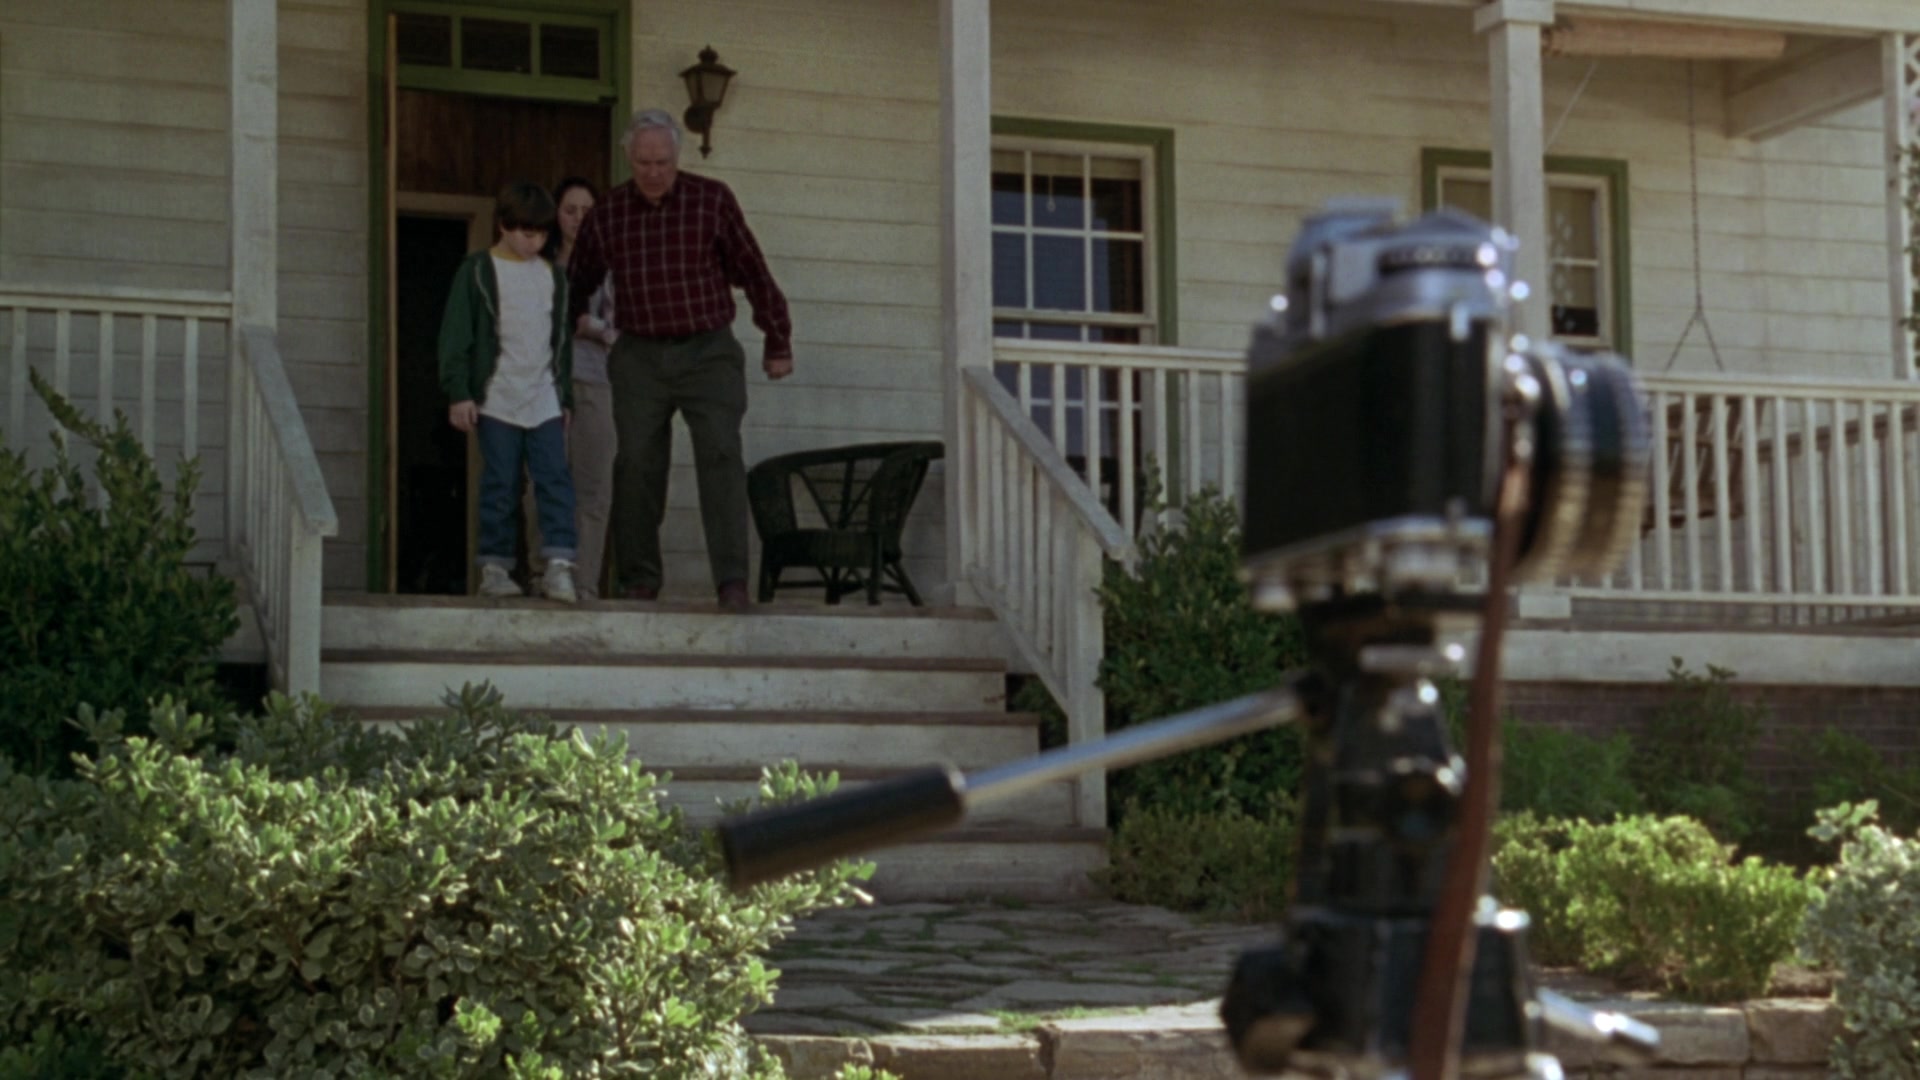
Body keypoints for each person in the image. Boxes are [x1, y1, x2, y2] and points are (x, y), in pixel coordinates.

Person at [566, 108, 793, 611]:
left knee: (720, 454)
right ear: (629, 158)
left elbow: (753, 270)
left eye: (662, 162)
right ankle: (639, 579)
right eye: (643, 162)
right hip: (639, 353)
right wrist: (559, 343)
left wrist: (777, 338)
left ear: (677, 157)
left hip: (707, 349)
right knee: (635, 464)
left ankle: (731, 581)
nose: (653, 172)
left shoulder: (711, 200)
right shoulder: (608, 214)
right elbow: (578, 282)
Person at [439, 180, 579, 603]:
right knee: (500, 482)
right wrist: (459, 391)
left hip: (544, 395)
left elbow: (561, 342)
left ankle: (558, 565)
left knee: (555, 479)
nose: (533, 241)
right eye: (525, 231)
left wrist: (564, 396)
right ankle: (496, 568)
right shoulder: (477, 270)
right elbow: (456, 335)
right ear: (503, 225)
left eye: (541, 233)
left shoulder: (553, 276)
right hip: (496, 395)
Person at [530, 176, 618, 599]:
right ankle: (542, 575)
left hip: (598, 382)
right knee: (544, 481)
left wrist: (590, 326)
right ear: (556, 215)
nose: (579, 219)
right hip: (544, 384)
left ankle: (585, 583)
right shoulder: (539, 267)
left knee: (593, 487)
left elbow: (623, 327)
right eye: (570, 210)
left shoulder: (613, 268)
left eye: (587, 211)